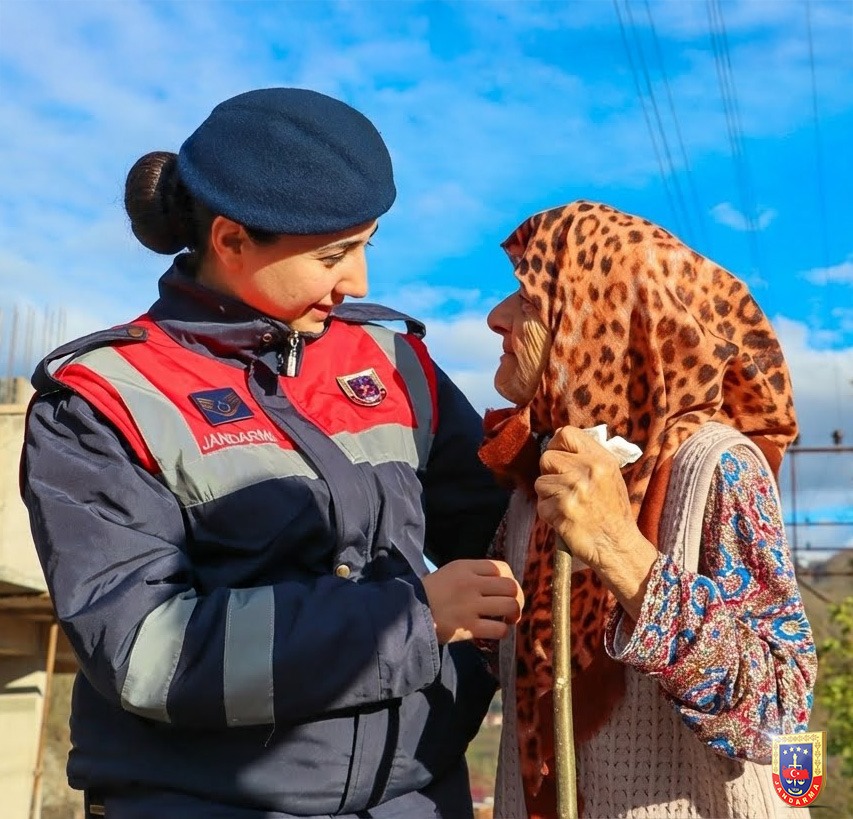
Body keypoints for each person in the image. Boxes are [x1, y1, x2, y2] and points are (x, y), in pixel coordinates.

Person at [21, 87, 524, 819]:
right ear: (229, 240)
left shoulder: (393, 360)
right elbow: (147, 653)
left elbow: (504, 533)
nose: (358, 281)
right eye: (332, 255)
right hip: (198, 802)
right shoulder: (104, 401)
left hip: (415, 794)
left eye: (365, 245)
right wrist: (412, 618)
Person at [478, 200, 817, 818]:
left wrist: (619, 550)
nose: (496, 317)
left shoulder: (714, 469)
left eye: (528, 297)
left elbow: (780, 709)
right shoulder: (539, 485)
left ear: (602, 321)